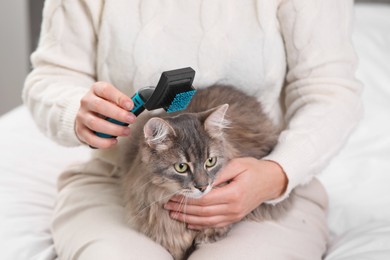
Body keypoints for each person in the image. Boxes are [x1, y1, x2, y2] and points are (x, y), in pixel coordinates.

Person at [23, 0, 362, 259]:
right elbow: (51, 77)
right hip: (120, 181)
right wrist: (75, 110)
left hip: (264, 185)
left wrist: (277, 174)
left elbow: (329, 91)